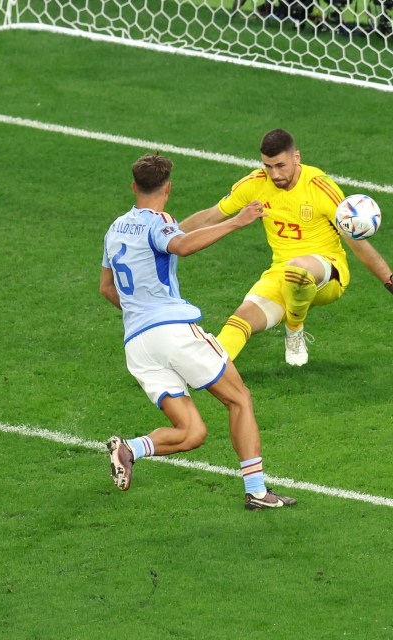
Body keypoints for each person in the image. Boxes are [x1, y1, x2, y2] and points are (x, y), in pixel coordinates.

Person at [101, 152, 297, 510]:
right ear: (168, 188)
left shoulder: (114, 229)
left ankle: (131, 447)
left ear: (133, 186)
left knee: (193, 433)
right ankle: (256, 492)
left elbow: (106, 288)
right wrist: (237, 222)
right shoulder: (158, 222)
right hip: (172, 332)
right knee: (239, 399)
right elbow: (182, 244)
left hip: (137, 344)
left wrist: (140, 316)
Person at [179, 129, 393, 367]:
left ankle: (294, 329)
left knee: (299, 268)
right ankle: (200, 372)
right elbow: (212, 215)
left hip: (328, 272)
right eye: (268, 166)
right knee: (238, 323)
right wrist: (166, 235)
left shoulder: (320, 188)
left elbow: (358, 245)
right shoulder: (254, 185)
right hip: (280, 273)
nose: (275, 174)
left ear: (296, 157)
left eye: (280, 165)